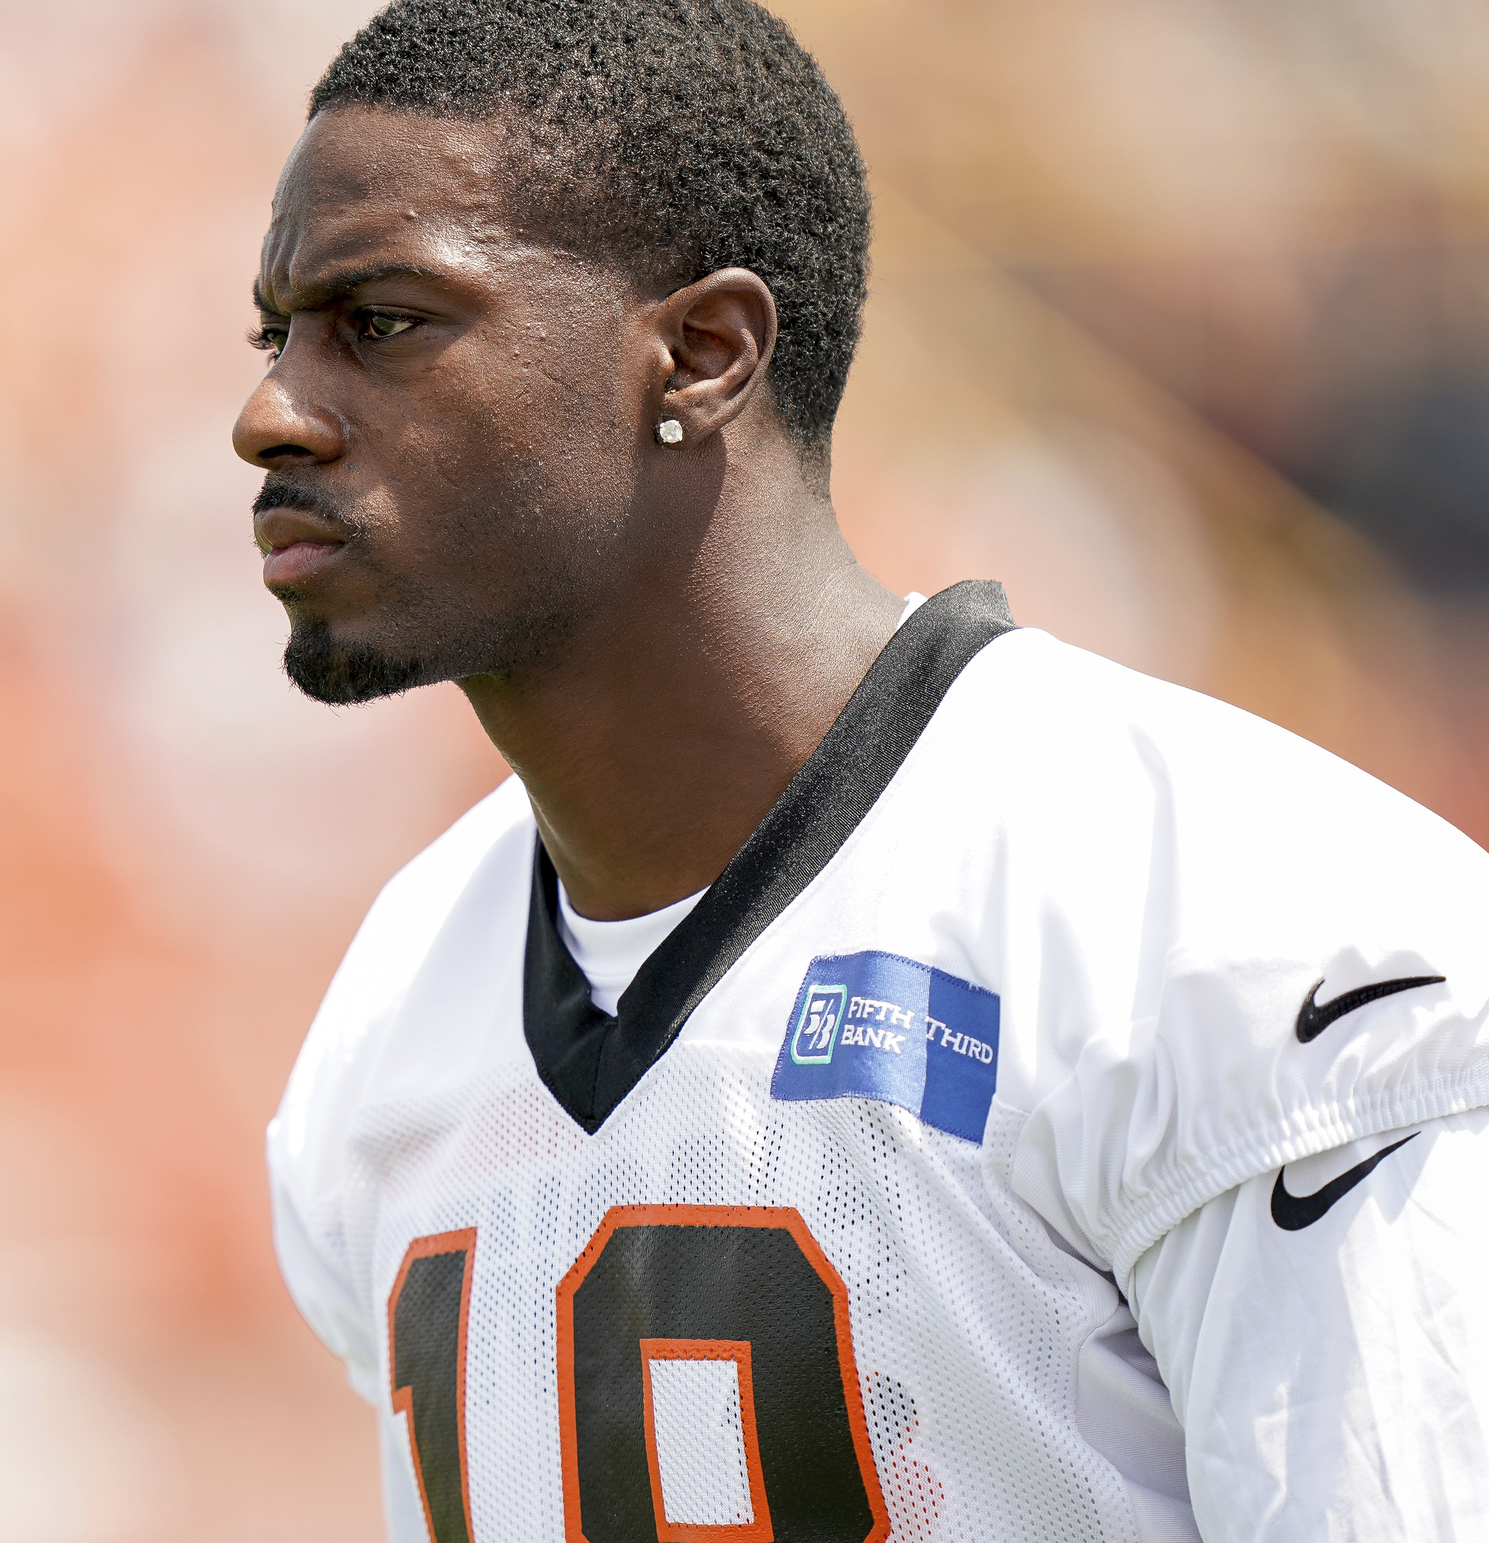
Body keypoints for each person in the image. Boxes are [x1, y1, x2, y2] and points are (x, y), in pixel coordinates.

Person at [234, 1, 1489, 1539]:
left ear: (700, 356)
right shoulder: (395, 1004)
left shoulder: (1238, 928)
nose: (272, 412)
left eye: (385, 323)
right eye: (276, 333)